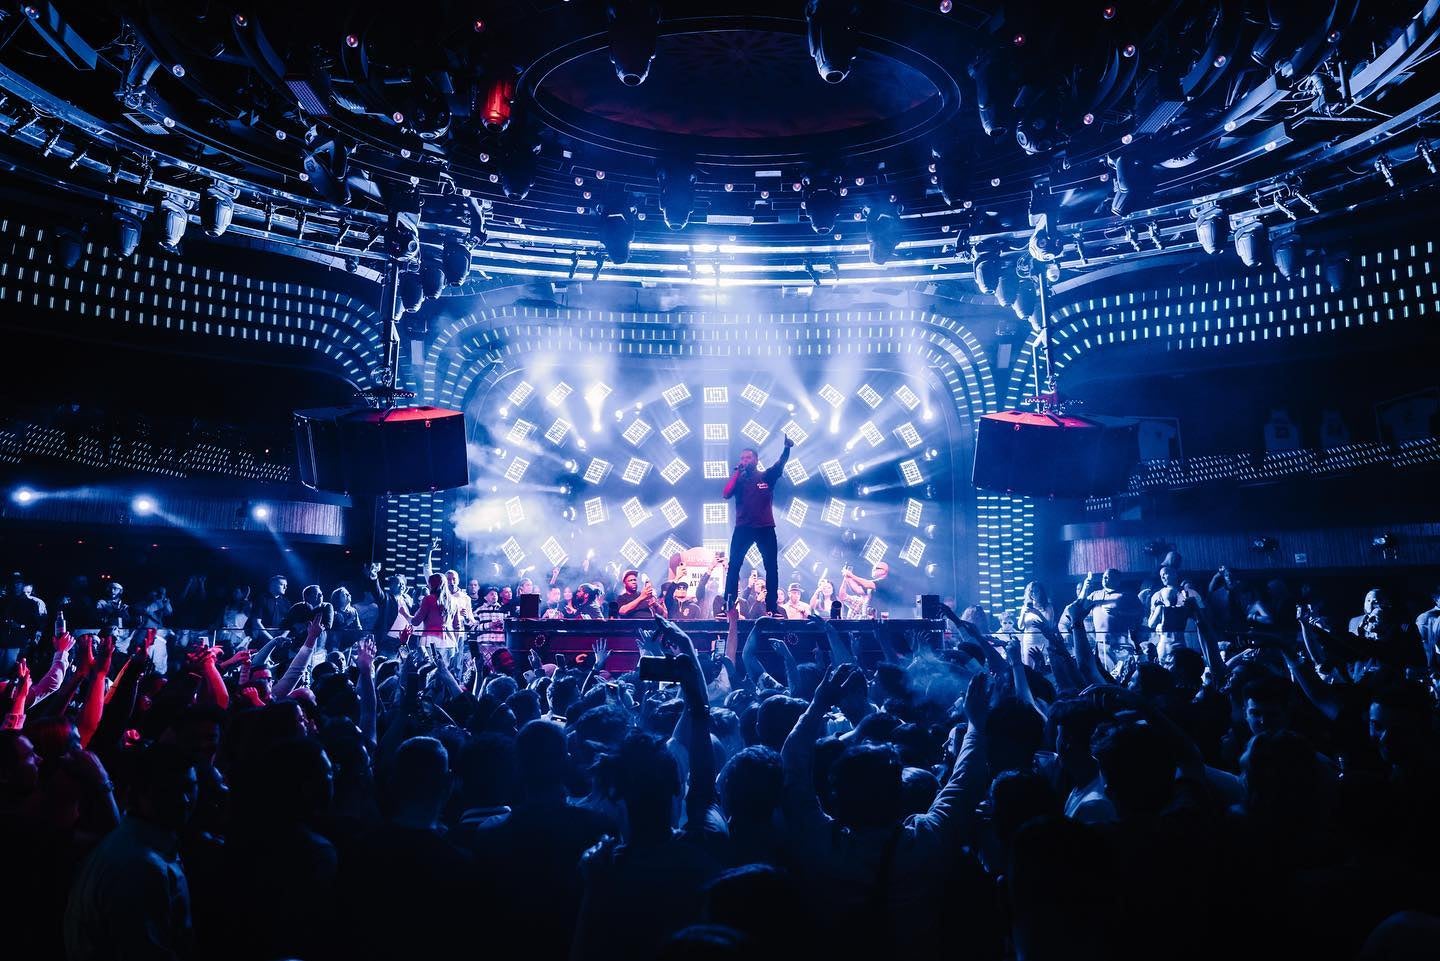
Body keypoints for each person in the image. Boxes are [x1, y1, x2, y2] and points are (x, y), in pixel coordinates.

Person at [722, 436, 793, 616]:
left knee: (771, 567)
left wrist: (786, 449)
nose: (744, 461)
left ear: (756, 460)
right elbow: (726, 494)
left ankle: (771, 608)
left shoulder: (766, 476)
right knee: (734, 566)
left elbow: (779, 465)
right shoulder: (739, 480)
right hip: (743, 528)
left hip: (765, 528)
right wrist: (737, 473)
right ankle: (728, 606)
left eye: (748, 458)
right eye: (742, 458)